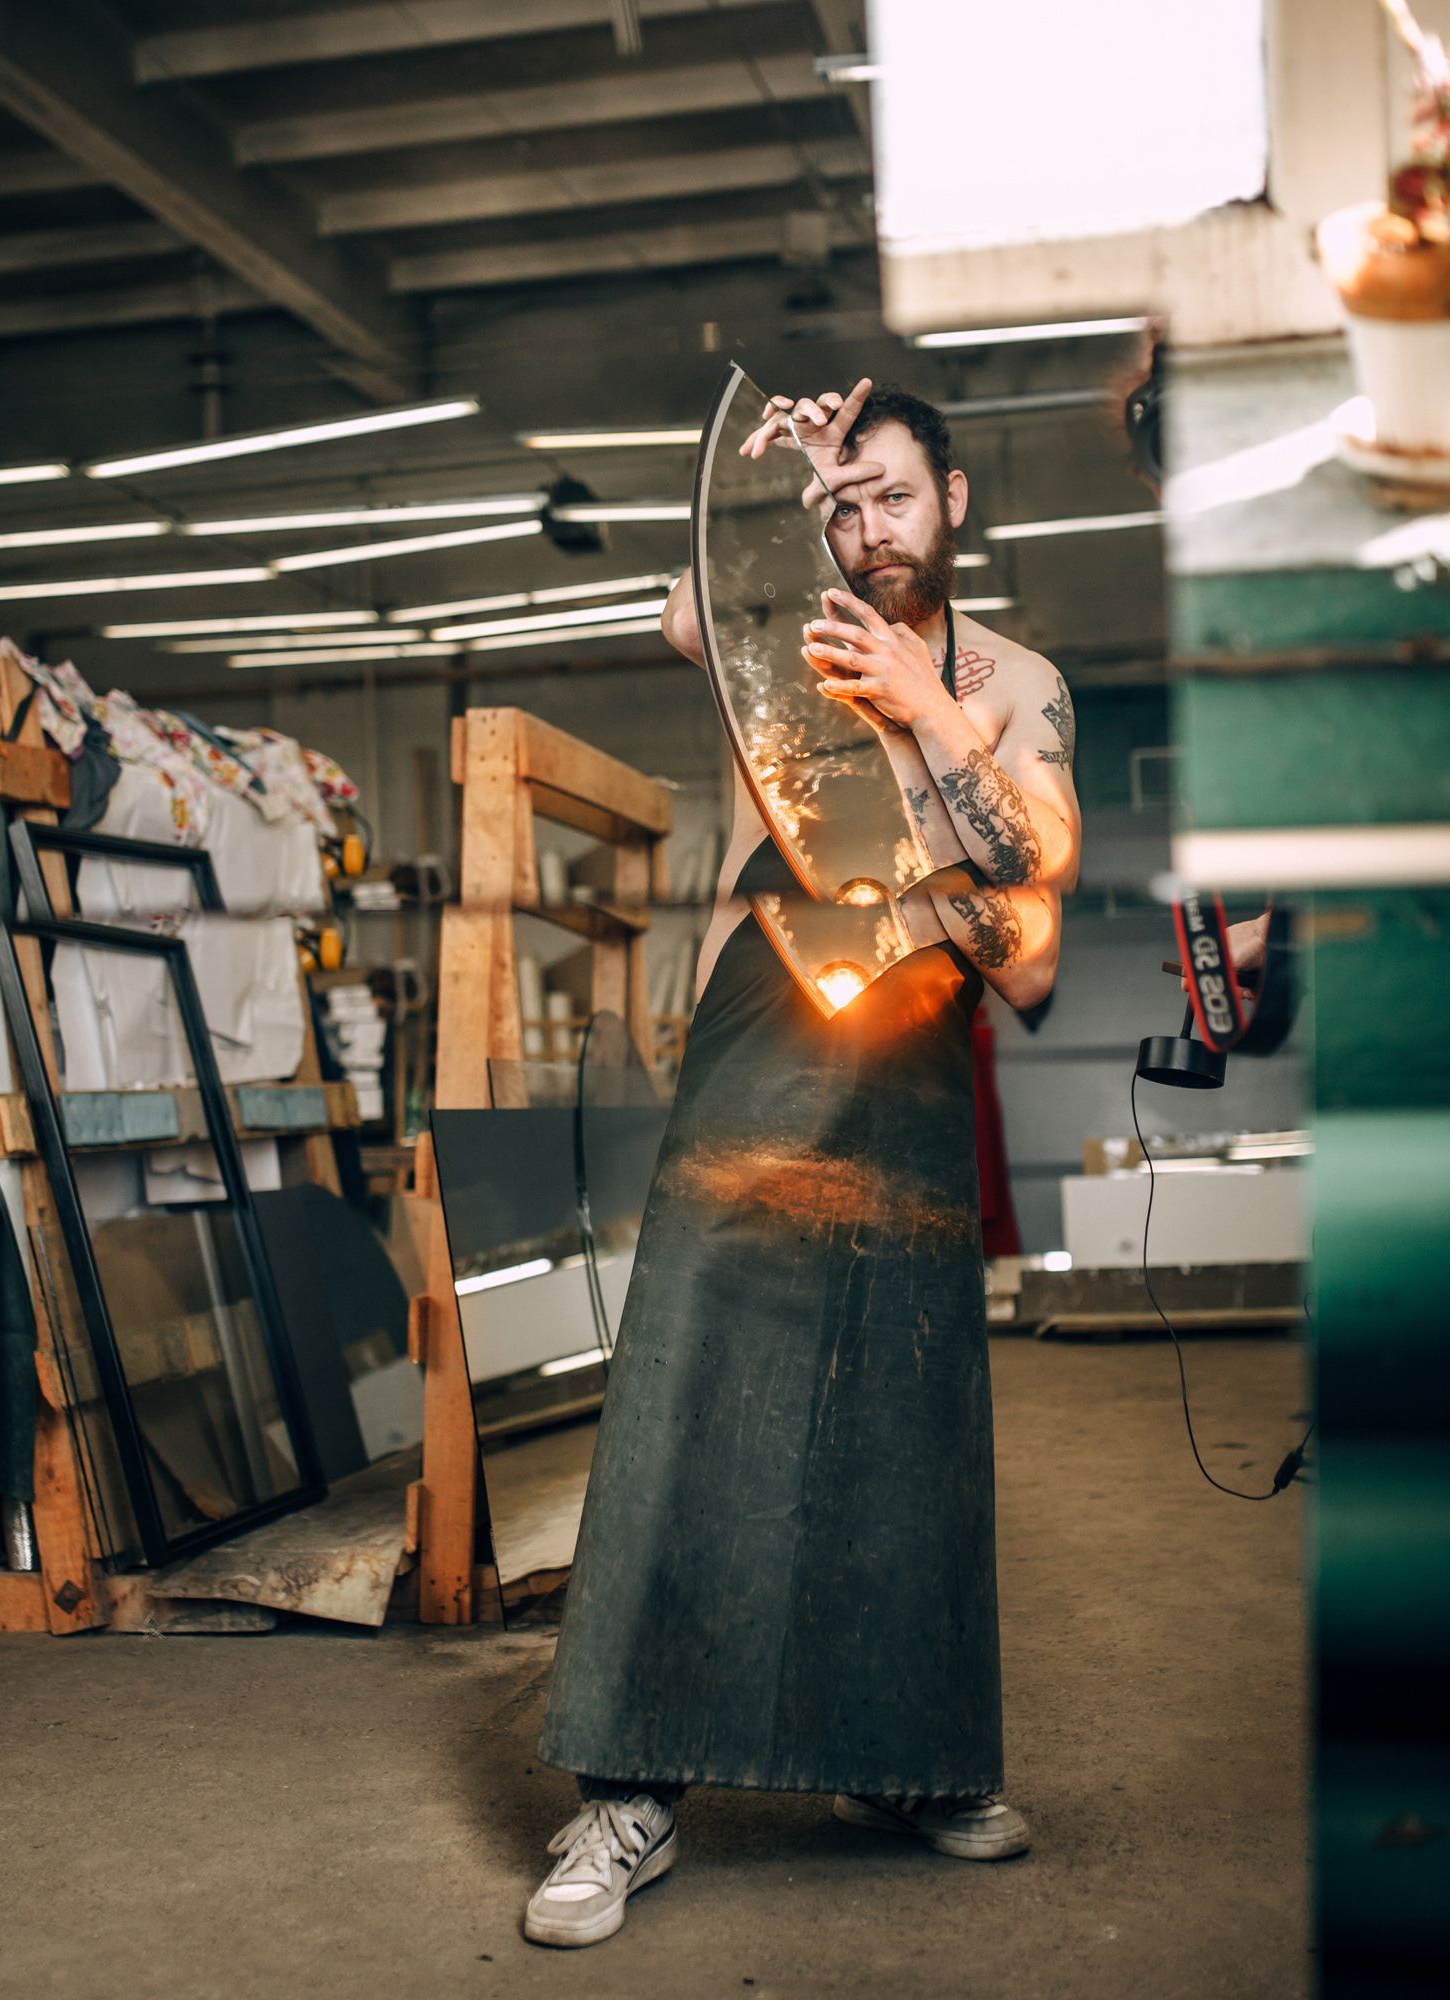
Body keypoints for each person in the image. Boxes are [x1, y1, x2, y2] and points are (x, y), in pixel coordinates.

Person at [523, 379, 1082, 1949]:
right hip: (764, 1023)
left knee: (903, 1408)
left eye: (893, 494)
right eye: (848, 505)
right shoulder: (787, 638)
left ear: (954, 500)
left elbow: (1034, 898)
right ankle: (628, 1792)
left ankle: (906, 1766)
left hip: (910, 1049)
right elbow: (683, 611)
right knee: (691, 1381)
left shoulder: (1017, 684)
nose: (871, 528)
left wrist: (926, 707)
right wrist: (776, 494)